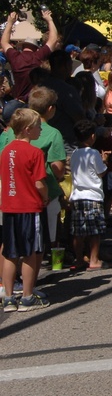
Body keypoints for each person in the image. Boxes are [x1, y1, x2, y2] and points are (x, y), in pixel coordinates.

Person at [0, 87, 67, 252]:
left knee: (9, 241)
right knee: (41, 238)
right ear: (50, 109)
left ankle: (5, 276)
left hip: (10, 191)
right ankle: (53, 256)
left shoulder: (10, 132)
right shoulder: (53, 133)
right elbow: (57, 167)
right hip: (42, 191)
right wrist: (60, 179)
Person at [0, 108, 50, 312]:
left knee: (11, 252)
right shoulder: (35, 152)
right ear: (28, 130)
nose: (40, 130)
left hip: (10, 206)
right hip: (30, 206)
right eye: (38, 126)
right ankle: (28, 296)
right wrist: (45, 197)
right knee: (31, 252)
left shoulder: (6, 151)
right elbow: (39, 183)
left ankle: (9, 297)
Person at [68, 120, 107, 271]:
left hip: (77, 195)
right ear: (92, 136)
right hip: (93, 195)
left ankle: (79, 259)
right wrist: (105, 161)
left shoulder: (74, 154)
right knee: (94, 231)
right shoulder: (94, 153)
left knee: (78, 231)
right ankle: (94, 259)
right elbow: (101, 171)